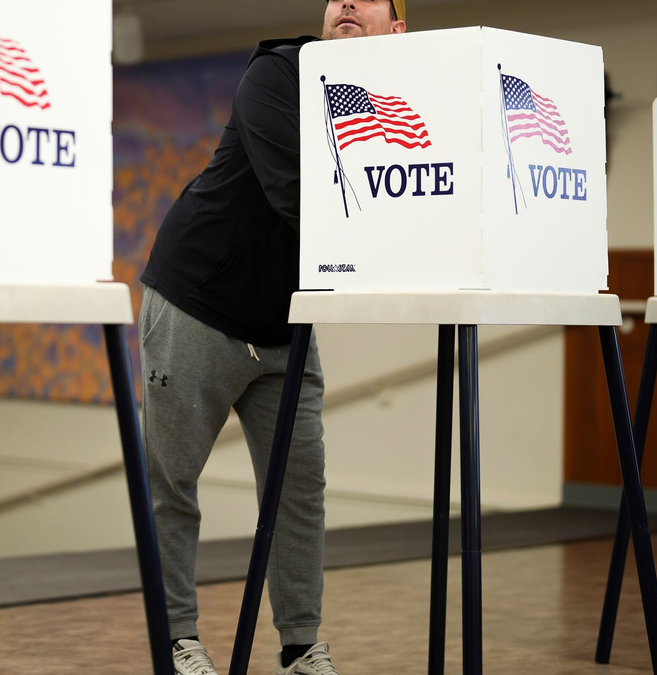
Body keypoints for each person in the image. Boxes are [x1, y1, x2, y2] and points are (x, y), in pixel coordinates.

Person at [138, 1, 407, 674]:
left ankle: (299, 646)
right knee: (172, 483)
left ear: (397, 31)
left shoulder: (397, 107)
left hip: (284, 323)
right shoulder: (279, 72)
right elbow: (305, 199)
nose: (347, 0)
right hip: (199, 297)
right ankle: (175, 638)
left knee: (299, 488)